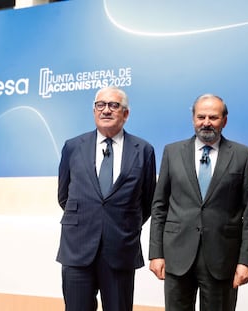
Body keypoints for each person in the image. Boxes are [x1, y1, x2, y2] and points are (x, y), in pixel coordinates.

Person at [149, 94, 248, 311]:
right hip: (177, 255)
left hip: (222, 258)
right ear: (193, 119)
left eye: (213, 117)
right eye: (201, 117)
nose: (206, 122)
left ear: (224, 120)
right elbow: (159, 206)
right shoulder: (172, 152)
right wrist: (156, 253)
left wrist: (246, 260)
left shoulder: (242, 155)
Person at [56, 86, 156, 311]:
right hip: (77, 249)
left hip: (120, 248)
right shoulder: (73, 147)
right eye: (100, 105)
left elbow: (147, 201)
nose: (106, 110)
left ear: (126, 114)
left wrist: (120, 223)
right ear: (94, 111)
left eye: (113, 105)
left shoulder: (144, 150)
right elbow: (64, 196)